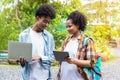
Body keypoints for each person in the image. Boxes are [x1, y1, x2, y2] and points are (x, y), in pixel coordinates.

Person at [18, 4, 56, 80]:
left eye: (48, 22)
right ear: (37, 18)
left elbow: (52, 58)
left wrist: (40, 57)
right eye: (45, 21)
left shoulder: (49, 37)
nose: (47, 24)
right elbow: (21, 61)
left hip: (45, 77)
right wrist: (21, 60)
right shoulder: (23, 35)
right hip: (28, 76)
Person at [57, 11, 97, 80]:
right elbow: (62, 62)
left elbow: (91, 63)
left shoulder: (87, 41)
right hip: (64, 77)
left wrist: (73, 61)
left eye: (70, 26)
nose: (67, 29)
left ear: (77, 25)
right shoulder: (66, 41)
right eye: (66, 27)